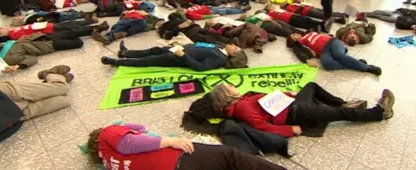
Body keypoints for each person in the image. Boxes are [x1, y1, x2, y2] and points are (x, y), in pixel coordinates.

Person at [208, 82, 395, 138]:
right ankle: (380, 112)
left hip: (291, 105)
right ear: (226, 94)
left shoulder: (242, 101)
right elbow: (261, 126)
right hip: (296, 113)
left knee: (311, 86)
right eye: (229, 86)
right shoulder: (241, 107)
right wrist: (291, 130)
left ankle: (343, 103)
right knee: (340, 115)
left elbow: (267, 102)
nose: (233, 85)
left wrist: (286, 93)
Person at [86, 122, 285, 170]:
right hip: (179, 160)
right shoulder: (108, 133)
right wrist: (172, 141)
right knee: (231, 157)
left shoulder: (110, 164)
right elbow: (135, 137)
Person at [0, 66, 74, 152]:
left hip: (0, 95)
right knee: (65, 100)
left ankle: (48, 74)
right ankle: (51, 83)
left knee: (62, 88)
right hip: (15, 115)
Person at [101, 41, 248, 71]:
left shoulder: (220, 59)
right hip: (178, 48)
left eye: (235, 47)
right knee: (153, 50)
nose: (233, 44)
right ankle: (126, 53)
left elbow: (201, 67)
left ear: (233, 53)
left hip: (178, 56)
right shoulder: (219, 47)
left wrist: (183, 55)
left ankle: (116, 62)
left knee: (147, 61)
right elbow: (200, 45)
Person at [0, 34, 84, 75]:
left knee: (72, 30)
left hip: (38, 37)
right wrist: (19, 66)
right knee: (78, 42)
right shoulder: (7, 60)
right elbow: (32, 59)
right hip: (48, 45)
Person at [287, 32, 382, 75]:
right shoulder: (300, 45)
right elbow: (298, 53)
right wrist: (306, 60)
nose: (295, 35)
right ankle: (357, 63)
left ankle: (367, 68)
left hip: (332, 42)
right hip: (324, 51)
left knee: (339, 56)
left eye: (294, 34)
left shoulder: (308, 33)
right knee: (327, 65)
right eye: (293, 37)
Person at [0, 20, 109, 43]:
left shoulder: (13, 30)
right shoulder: (14, 35)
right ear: (1, 35)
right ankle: (97, 27)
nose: (1, 28)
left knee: (71, 26)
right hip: (48, 30)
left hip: (47, 25)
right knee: (72, 29)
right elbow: (31, 35)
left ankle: (94, 29)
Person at [91, 11, 163, 45]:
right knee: (121, 27)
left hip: (138, 23)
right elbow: (144, 14)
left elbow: (143, 28)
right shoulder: (154, 18)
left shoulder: (153, 26)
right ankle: (108, 38)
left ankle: (107, 37)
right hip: (132, 19)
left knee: (123, 26)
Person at [239, 11, 304, 38]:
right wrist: (262, 21)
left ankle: (304, 33)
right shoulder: (247, 21)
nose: (243, 14)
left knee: (286, 25)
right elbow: (255, 27)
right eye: (242, 16)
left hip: (271, 20)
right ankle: (300, 37)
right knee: (283, 31)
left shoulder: (251, 16)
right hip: (266, 25)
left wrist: (269, 18)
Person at [280, 2, 347, 24]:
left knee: (327, 12)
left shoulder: (292, 3)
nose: (283, 3)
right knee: (324, 15)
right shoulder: (288, 8)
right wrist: (301, 7)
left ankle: (342, 14)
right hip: (308, 11)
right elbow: (296, 12)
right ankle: (340, 17)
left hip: (310, 8)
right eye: (282, 4)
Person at [10, 10, 96, 26]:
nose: (18, 16)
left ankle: (87, 14)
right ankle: (87, 15)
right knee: (71, 15)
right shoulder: (29, 20)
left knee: (70, 13)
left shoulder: (28, 16)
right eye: (17, 18)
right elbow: (42, 19)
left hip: (52, 14)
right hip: (54, 17)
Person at [182, 4, 250, 20]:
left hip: (208, 7)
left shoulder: (188, 9)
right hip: (210, 11)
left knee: (224, 7)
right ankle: (241, 10)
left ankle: (237, 8)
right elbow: (202, 17)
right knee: (226, 10)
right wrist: (213, 16)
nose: (183, 9)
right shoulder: (190, 15)